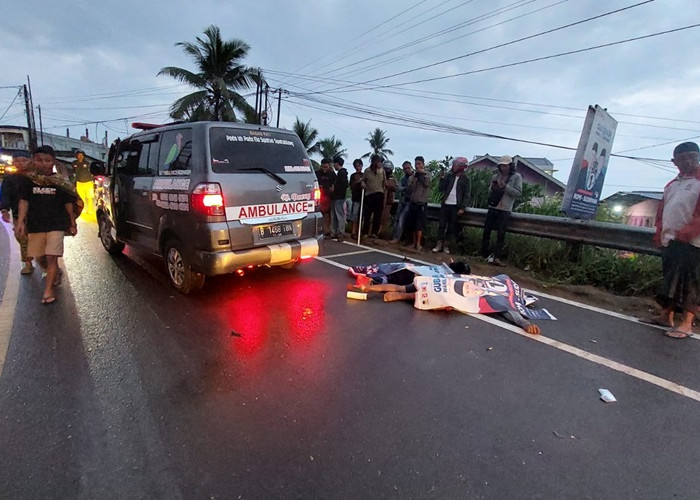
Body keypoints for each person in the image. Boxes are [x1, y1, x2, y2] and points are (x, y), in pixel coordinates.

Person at [349, 272, 541, 335]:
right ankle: (372, 290)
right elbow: (508, 309)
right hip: (444, 286)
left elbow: (509, 310)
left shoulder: (498, 287)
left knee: (404, 288)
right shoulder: (500, 289)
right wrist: (525, 322)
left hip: (441, 284)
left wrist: (525, 323)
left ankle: (369, 289)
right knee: (408, 291)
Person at [648, 141, 700, 339]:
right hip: (671, 240)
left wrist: (686, 233)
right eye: (682, 158)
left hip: (693, 243)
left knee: (690, 282)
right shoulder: (672, 185)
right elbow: (662, 212)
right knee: (669, 279)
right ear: (674, 161)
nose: (687, 161)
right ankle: (666, 315)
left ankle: (687, 323)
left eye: (692, 157)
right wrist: (660, 234)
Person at [16, 146, 79, 305]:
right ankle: (54, 273)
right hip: (36, 225)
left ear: (53, 161)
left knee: (52, 257)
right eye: (39, 160)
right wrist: (21, 222)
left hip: (56, 224)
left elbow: (68, 204)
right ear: (34, 161)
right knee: (40, 256)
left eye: (47, 160)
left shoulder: (60, 182)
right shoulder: (28, 181)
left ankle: (48, 289)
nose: (44, 164)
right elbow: (24, 202)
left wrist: (72, 223)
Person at [481, 155, 522, 266]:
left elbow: (518, 193)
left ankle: (497, 257)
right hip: (493, 206)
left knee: (500, 234)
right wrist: (495, 187)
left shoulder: (516, 177)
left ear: (510, 166)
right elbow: (490, 189)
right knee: (486, 231)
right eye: (501, 166)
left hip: (505, 209)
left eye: (505, 166)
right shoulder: (496, 176)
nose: (503, 168)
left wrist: (506, 187)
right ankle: (484, 254)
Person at [1, 151, 35, 274]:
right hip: (17, 214)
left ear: (29, 161)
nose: (20, 163)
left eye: (23, 160)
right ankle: (28, 262)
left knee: (39, 238)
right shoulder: (9, 179)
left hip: (37, 213)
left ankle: (49, 266)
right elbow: (4, 195)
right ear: (13, 162)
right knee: (21, 237)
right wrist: (4, 210)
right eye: (17, 160)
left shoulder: (36, 177)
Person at [433, 156, 471, 254]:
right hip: (446, 203)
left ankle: (446, 245)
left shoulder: (466, 179)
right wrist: (441, 179)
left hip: (456, 206)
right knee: (441, 225)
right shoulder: (449, 176)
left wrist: (462, 207)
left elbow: (467, 194)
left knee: (451, 227)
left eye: (456, 165)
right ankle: (439, 244)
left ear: (461, 166)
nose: (453, 166)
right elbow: (441, 189)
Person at [404, 155, 430, 250]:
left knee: (419, 224)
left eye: (419, 164)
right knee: (412, 224)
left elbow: (427, 184)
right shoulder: (412, 176)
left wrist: (421, 175)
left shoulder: (427, 174)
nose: (417, 166)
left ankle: (418, 243)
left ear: (423, 164)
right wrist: (415, 177)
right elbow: (409, 189)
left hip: (422, 202)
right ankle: (413, 242)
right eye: (416, 164)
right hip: (413, 202)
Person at [360, 154, 386, 238]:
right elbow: (363, 180)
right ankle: (365, 232)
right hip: (369, 194)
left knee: (377, 215)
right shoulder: (367, 171)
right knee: (367, 215)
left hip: (379, 194)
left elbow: (384, 183)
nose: (378, 163)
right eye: (377, 161)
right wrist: (363, 184)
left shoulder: (382, 171)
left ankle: (374, 233)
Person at [390, 160, 414, 244]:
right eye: (405, 169)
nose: (407, 170)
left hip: (410, 202)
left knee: (401, 219)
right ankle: (395, 236)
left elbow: (412, 189)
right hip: (402, 200)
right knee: (397, 218)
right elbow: (398, 188)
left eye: (408, 168)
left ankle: (397, 238)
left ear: (411, 167)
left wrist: (405, 188)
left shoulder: (415, 177)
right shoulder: (403, 178)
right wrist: (405, 188)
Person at [315, 158, 336, 239]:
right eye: (323, 167)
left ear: (329, 166)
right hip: (318, 196)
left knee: (327, 213)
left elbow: (335, 183)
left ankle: (327, 230)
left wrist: (332, 188)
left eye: (326, 167)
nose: (324, 168)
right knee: (319, 212)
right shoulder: (317, 173)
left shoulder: (332, 174)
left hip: (328, 196)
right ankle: (318, 230)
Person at [330, 156, 349, 241]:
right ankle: (334, 232)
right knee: (334, 215)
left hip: (339, 197)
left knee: (339, 215)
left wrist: (335, 188)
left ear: (337, 164)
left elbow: (344, 185)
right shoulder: (341, 173)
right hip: (336, 197)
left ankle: (340, 232)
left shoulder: (342, 173)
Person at [379, 160, 398, 238]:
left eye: (389, 169)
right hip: (379, 199)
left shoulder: (393, 178)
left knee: (385, 217)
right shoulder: (380, 176)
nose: (387, 170)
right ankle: (374, 232)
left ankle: (382, 233)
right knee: (377, 217)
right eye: (386, 169)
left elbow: (396, 188)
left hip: (388, 201)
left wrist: (389, 186)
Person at [72, 149, 94, 215]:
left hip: (88, 182)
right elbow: (73, 172)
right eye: (79, 155)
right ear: (76, 156)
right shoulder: (74, 163)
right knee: (81, 197)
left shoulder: (87, 163)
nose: (80, 156)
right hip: (79, 182)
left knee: (89, 197)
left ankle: (90, 209)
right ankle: (83, 209)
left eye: (81, 155)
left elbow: (91, 172)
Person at [348, 159, 364, 239]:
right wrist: (357, 182)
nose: (358, 168)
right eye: (356, 166)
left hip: (364, 198)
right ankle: (353, 231)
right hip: (356, 198)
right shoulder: (353, 176)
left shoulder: (364, 175)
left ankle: (359, 231)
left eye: (359, 166)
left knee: (361, 216)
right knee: (354, 215)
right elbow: (352, 186)